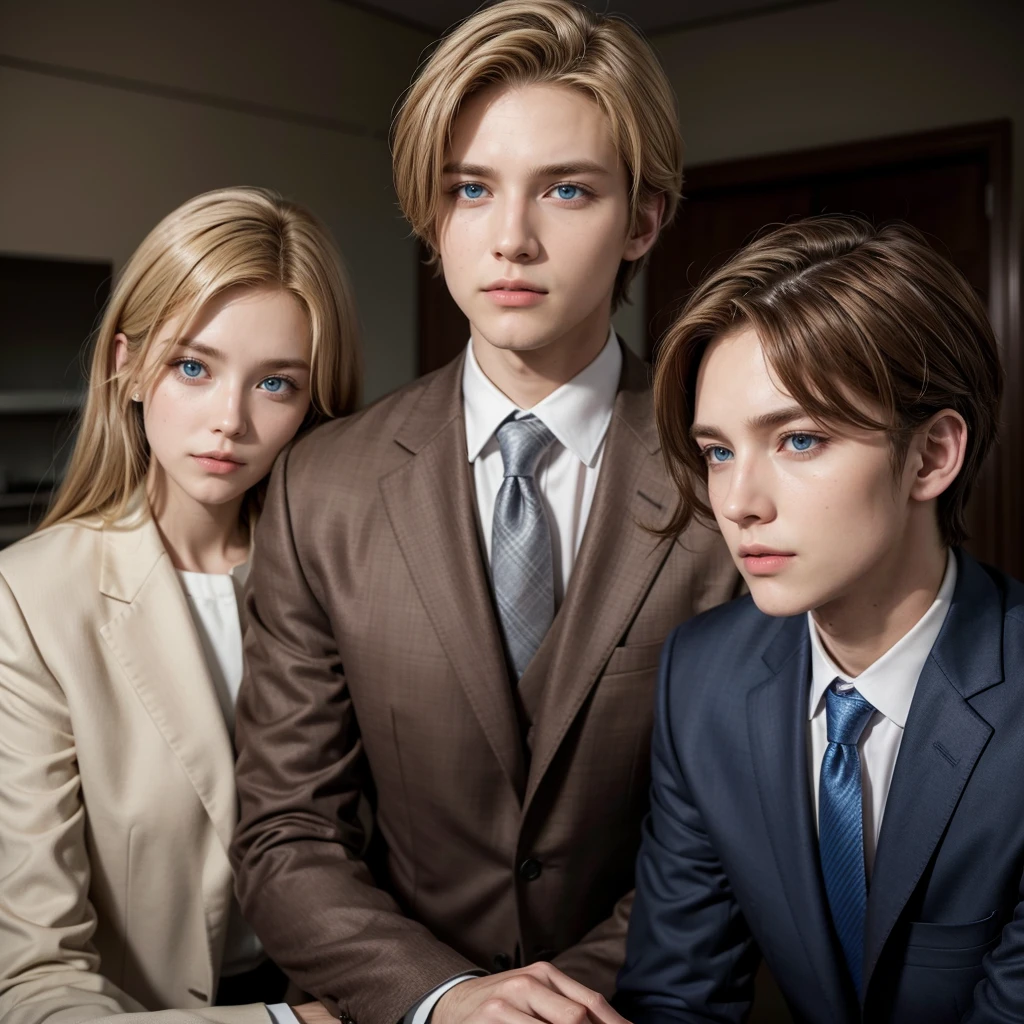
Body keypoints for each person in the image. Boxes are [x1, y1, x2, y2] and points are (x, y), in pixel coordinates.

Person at [228, 4, 737, 1024]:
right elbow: (289, 833)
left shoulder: (726, 479)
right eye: (470, 189)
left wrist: (565, 1002)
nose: (510, 237)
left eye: (565, 189)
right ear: (433, 215)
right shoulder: (320, 484)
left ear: (641, 218)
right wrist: (445, 998)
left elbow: (743, 829)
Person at [613, 215, 1024, 1023]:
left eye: (798, 440)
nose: (737, 504)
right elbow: (677, 995)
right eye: (719, 451)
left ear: (933, 455)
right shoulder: (704, 676)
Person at [0, 186, 361, 1024]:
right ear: (125, 365)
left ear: (314, 403)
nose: (229, 421)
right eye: (193, 368)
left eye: (276, 384)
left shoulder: (352, 575)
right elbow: (34, 984)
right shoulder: (31, 601)